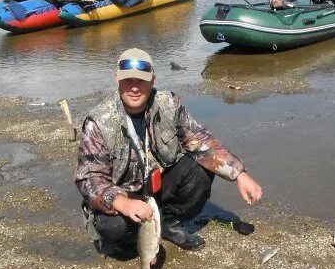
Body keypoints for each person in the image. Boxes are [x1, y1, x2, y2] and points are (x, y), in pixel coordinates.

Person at [75, 48, 263, 254]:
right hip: (122, 194)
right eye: (128, 81)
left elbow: (200, 141)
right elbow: (89, 178)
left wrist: (239, 174)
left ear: (152, 80)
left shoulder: (169, 104)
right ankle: (137, 238)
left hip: (156, 185)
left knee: (200, 169)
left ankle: (169, 224)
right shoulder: (98, 122)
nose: (134, 88)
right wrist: (124, 203)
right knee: (115, 228)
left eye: (141, 81)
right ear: (117, 80)